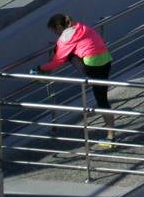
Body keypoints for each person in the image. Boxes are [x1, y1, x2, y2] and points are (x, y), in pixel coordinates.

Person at [32, 13, 116, 149]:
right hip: (106, 61)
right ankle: (110, 135)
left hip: (91, 67)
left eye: (54, 31)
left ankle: (111, 137)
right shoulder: (82, 27)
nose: (55, 34)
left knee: (102, 101)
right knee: (102, 99)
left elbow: (58, 61)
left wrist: (39, 68)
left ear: (58, 27)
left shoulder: (65, 38)